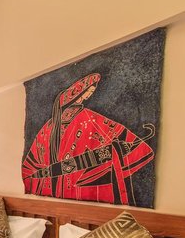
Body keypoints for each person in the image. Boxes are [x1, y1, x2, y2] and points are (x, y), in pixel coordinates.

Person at [22, 73, 155, 206]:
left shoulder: (90, 119)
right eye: (88, 92)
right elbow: (31, 164)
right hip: (51, 192)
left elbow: (136, 147)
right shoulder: (50, 126)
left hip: (75, 188)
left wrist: (112, 153)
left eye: (91, 93)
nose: (87, 96)